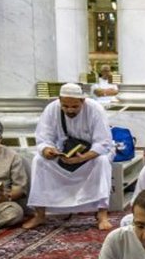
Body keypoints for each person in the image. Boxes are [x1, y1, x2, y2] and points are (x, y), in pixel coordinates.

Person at [22, 83, 113, 231]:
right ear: (59, 101)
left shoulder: (95, 109)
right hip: (63, 152)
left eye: (74, 107)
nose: (70, 110)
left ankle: (102, 214)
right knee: (39, 160)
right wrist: (47, 150)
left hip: (90, 154)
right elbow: (43, 138)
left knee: (102, 162)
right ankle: (40, 214)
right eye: (65, 106)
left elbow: (103, 143)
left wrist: (82, 158)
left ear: (82, 101)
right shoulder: (52, 109)